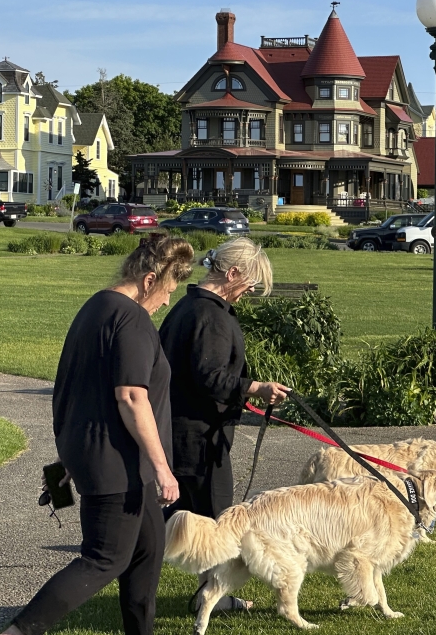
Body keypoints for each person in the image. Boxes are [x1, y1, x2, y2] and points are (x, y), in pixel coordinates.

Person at [4, 235, 195, 635]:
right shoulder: (131, 319)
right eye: (167, 291)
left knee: (146, 554)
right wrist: (163, 467)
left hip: (115, 461)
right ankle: (18, 632)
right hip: (118, 466)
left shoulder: (95, 307)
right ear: (148, 280)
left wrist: (68, 455)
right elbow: (130, 396)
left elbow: (79, 389)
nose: (166, 302)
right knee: (103, 559)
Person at [160, 237, 290, 612]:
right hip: (198, 437)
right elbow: (209, 377)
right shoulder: (211, 316)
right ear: (231, 273)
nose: (249, 291)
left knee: (188, 516)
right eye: (249, 283)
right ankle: (213, 596)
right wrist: (255, 387)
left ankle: (207, 592)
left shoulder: (189, 307)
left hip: (181, 430)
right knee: (217, 521)